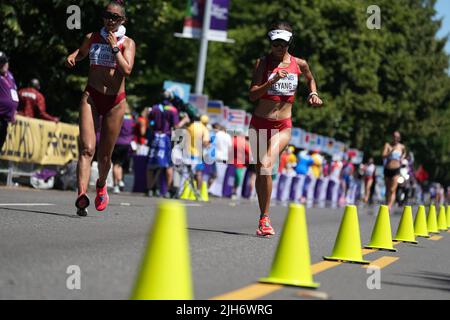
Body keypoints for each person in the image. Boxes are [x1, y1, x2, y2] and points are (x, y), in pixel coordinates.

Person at [249, 21, 322, 236]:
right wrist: (270, 82)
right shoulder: (262, 63)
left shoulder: (300, 64)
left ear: (290, 43)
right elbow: (252, 95)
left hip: (282, 125)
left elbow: (310, 80)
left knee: (266, 164)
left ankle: (265, 219)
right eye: (275, 44)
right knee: (260, 171)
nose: (279, 49)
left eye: (283, 44)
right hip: (259, 123)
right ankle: (263, 215)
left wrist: (313, 94)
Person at [65, 0, 136, 216]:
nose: (110, 20)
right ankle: (81, 195)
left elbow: (127, 69)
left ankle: (102, 184)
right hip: (92, 97)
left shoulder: (127, 43)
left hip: (115, 101)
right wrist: (74, 57)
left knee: (105, 156)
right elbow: (82, 52)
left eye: (115, 17)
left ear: (122, 20)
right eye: (107, 15)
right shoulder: (92, 37)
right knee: (87, 148)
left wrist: (115, 47)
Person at [146, 96, 189, 197]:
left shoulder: (155, 108)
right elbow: (176, 127)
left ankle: (149, 189)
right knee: (168, 165)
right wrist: (184, 121)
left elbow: (149, 121)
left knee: (151, 165)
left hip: (155, 137)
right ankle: (167, 191)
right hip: (166, 139)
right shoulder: (173, 110)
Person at [112, 102, 134, 193]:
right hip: (127, 143)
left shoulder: (118, 117)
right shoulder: (131, 119)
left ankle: (116, 184)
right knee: (120, 164)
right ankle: (120, 180)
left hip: (118, 142)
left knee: (115, 164)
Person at [0, 51, 19, 151]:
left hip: (5, 119)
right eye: (0, 63)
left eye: (4, 62)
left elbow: (13, 93)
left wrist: (14, 111)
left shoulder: (10, 75)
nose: (3, 65)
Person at [382, 131, 406, 210]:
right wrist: (390, 152)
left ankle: (389, 206)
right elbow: (383, 156)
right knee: (387, 189)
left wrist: (402, 158)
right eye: (394, 136)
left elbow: (404, 154)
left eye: (397, 137)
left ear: (399, 138)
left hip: (396, 169)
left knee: (393, 189)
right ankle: (386, 203)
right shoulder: (388, 145)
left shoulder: (402, 147)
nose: (395, 138)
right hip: (388, 169)